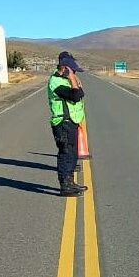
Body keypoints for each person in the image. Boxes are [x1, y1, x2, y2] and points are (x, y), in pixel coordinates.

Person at [48, 51, 88, 197]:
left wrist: (74, 81)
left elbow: (81, 93)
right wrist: (72, 79)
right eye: (73, 70)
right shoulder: (56, 82)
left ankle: (70, 182)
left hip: (71, 121)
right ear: (65, 68)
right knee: (66, 153)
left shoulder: (64, 80)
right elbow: (76, 96)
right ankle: (65, 185)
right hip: (62, 123)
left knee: (73, 153)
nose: (75, 73)